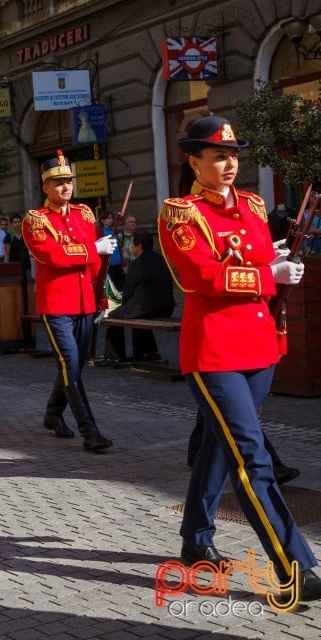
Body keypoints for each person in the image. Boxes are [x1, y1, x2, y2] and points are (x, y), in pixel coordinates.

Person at [158, 114, 321, 600]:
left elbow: (251, 258)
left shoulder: (251, 204)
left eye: (233, 155)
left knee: (218, 445)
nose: (229, 164)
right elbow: (200, 278)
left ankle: (195, 539)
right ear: (194, 162)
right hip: (214, 350)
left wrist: (276, 259)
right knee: (251, 457)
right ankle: (295, 564)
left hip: (259, 344)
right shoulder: (180, 213)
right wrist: (270, 275)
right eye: (218, 156)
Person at [22, 151, 114, 451]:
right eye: (58, 182)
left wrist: (100, 295)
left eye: (68, 181)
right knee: (70, 362)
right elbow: (53, 257)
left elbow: (95, 266)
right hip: (57, 304)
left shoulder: (84, 214)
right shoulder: (36, 221)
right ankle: (90, 431)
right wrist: (93, 248)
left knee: (74, 365)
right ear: (45, 186)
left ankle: (52, 414)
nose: (65, 187)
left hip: (85, 302)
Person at [102, 232, 175, 363]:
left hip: (147, 308)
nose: (130, 247)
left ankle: (115, 356)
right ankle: (147, 351)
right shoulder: (161, 259)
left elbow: (128, 290)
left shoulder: (137, 264)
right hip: (166, 306)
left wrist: (123, 303)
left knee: (113, 316)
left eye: (132, 244)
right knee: (136, 315)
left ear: (139, 246)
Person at [98, 210, 125, 289]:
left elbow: (118, 249)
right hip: (108, 265)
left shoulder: (114, 231)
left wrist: (123, 263)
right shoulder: (99, 232)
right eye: (108, 218)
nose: (111, 220)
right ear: (102, 221)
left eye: (111, 218)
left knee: (120, 286)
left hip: (118, 264)